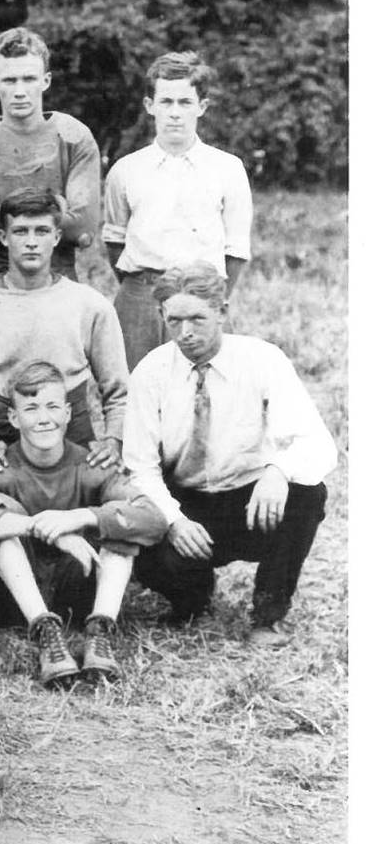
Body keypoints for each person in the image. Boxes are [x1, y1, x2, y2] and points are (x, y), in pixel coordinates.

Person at [123, 263, 336, 648]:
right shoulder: (150, 373)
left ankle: (268, 614)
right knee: (138, 530)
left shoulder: (262, 359)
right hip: (186, 504)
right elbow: (139, 467)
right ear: (161, 317)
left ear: (222, 311)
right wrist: (173, 521)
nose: (185, 333)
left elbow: (317, 443)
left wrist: (276, 471)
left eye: (197, 319)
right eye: (174, 321)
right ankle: (191, 596)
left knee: (308, 494)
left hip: (251, 499)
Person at [0, 363, 167, 686]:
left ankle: (100, 629)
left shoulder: (91, 464)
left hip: (76, 590)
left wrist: (82, 517)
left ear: (68, 413)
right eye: (31, 408)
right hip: (9, 597)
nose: (43, 419)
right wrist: (39, 528)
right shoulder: (0, 465)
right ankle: (44, 630)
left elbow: (153, 519)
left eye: (53, 407)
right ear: (13, 418)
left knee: (118, 518)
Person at [0, 188, 130, 477]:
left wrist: (113, 440)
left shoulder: (89, 305)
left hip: (70, 449)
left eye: (42, 231)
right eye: (21, 231)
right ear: (3, 237)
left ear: (57, 237)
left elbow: (119, 390)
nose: (32, 242)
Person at [101, 51, 253, 368]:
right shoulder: (126, 170)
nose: (174, 113)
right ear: (149, 106)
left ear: (202, 107)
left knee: (206, 389)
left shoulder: (227, 168)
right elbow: (114, 240)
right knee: (136, 392)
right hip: (140, 299)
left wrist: (210, 296)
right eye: (166, 102)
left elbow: (236, 250)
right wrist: (142, 286)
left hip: (201, 296)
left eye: (185, 102)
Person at [0, 27, 101, 291]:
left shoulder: (74, 136)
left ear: (46, 80)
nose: (20, 91)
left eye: (29, 79)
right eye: (10, 80)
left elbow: (81, 229)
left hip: (56, 266)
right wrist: (54, 208)